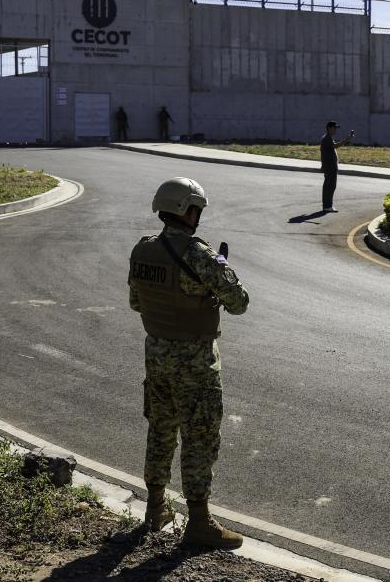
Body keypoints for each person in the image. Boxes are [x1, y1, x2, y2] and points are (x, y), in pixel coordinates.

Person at [128, 177, 249, 550]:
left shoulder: (143, 250)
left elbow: (136, 303)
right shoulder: (200, 255)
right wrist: (219, 272)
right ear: (187, 210)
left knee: (161, 429)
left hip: (157, 356)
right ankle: (199, 522)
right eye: (197, 209)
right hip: (194, 362)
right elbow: (239, 301)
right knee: (198, 437)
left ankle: (155, 508)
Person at [319, 120, 354, 213]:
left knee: (329, 185)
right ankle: (327, 206)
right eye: (334, 128)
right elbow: (335, 146)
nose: (335, 130)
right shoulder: (327, 138)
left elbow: (334, 146)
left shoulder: (328, 138)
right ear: (329, 128)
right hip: (330, 166)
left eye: (336, 128)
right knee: (330, 186)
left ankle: (327, 205)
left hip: (330, 166)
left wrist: (347, 140)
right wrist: (345, 140)